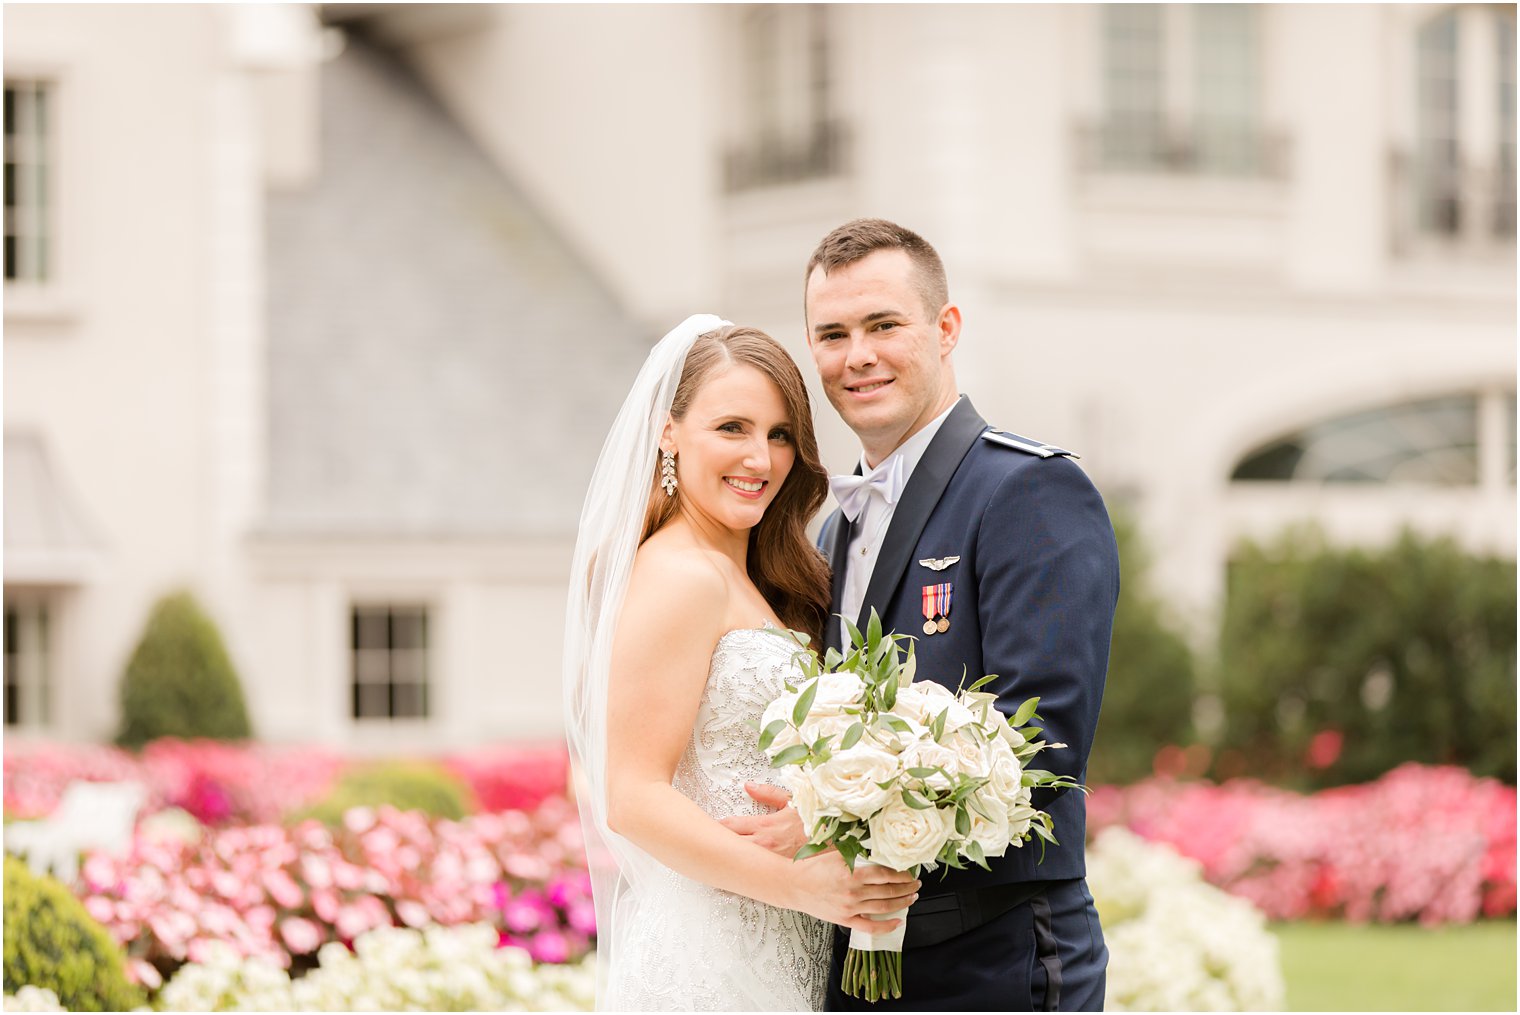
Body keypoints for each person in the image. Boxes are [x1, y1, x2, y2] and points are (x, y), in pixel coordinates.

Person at [726, 220, 1120, 1010]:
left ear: (946, 330)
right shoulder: (828, 530)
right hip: (859, 964)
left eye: (882, 325)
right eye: (832, 334)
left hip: (998, 959)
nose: (857, 355)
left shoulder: (1027, 490)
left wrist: (829, 811)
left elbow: (1040, 742)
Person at [563, 315, 920, 1011]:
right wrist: (799, 885)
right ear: (668, 432)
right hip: (713, 954)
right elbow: (633, 796)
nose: (760, 458)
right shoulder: (680, 576)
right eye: (732, 427)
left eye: (779, 433)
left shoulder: (761, 577)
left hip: (784, 945)